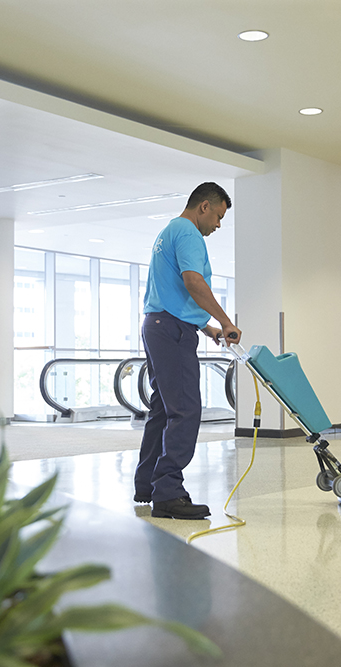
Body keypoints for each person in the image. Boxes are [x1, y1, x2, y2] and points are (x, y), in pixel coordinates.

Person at [134, 182, 242, 520]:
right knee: (185, 410)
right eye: (219, 217)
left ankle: (148, 486)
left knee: (164, 409)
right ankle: (168, 492)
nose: (218, 225)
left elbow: (172, 293)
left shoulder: (169, 231)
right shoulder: (190, 233)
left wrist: (205, 327)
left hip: (157, 325)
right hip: (171, 332)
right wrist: (225, 321)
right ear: (205, 207)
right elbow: (194, 282)